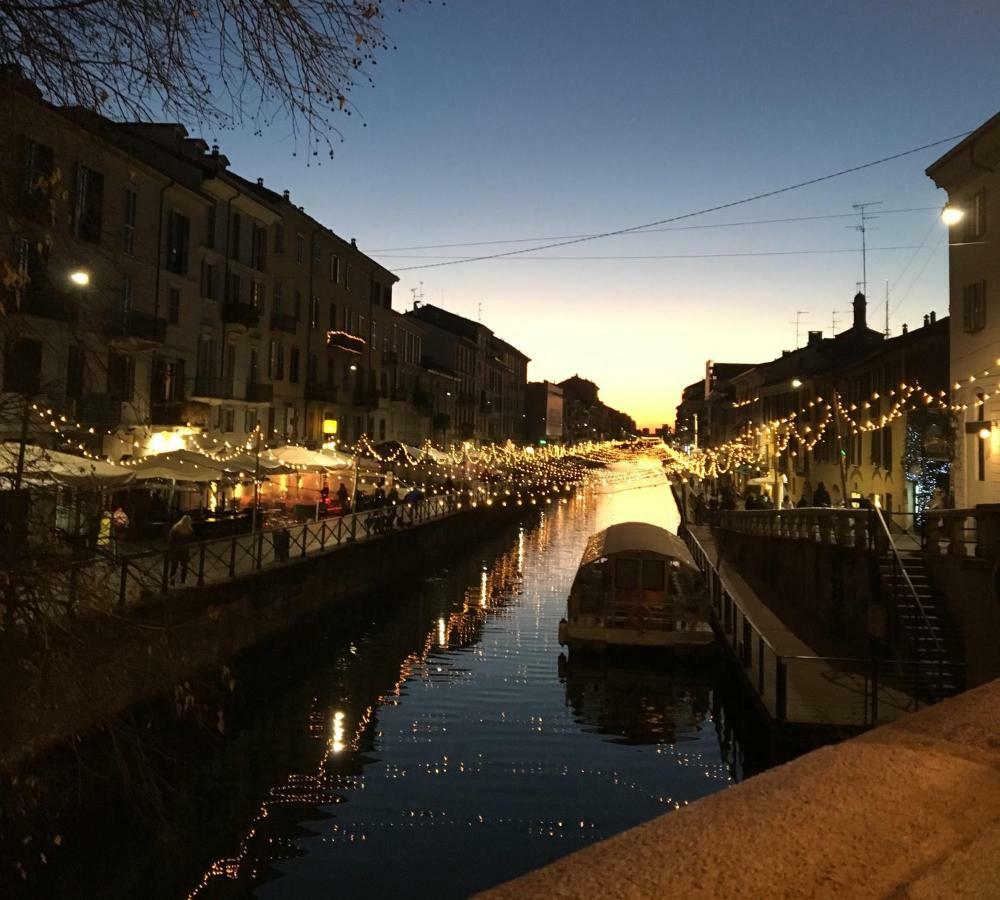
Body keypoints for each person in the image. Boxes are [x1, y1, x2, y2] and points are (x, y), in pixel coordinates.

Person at [167, 514, 195, 585]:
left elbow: (171, 540)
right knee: (184, 567)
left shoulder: (175, 529)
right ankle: (183, 581)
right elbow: (191, 540)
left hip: (176, 550)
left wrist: (170, 548)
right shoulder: (189, 530)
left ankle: (172, 581)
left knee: (174, 567)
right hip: (184, 550)